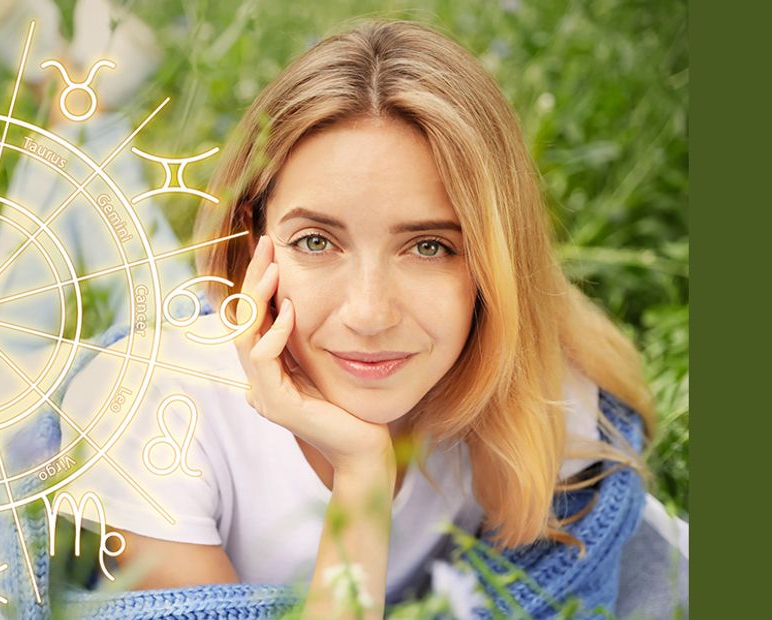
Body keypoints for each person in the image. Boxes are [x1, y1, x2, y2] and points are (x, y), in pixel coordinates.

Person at [57, 19, 683, 619]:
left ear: (492, 267)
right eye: (316, 242)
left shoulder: (540, 401)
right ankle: (72, 104)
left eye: (429, 247)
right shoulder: (149, 414)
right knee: (78, 254)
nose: (369, 313)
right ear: (254, 243)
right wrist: (362, 471)